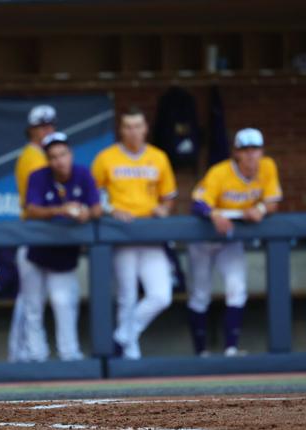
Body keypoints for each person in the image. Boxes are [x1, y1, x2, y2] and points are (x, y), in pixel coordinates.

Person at [92, 106, 177, 360]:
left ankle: (121, 337)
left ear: (145, 128)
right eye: (128, 126)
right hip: (122, 235)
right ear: (121, 129)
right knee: (126, 296)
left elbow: (169, 197)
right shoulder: (106, 158)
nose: (133, 131)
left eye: (138, 126)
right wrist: (111, 209)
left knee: (161, 296)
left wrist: (164, 208)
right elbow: (92, 196)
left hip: (151, 235)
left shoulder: (158, 157)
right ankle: (130, 353)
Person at [188, 128, 282, 357]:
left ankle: (231, 348)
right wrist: (214, 214)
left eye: (255, 149)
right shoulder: (220, 172)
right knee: (200, 294)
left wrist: (260, 208)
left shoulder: (268, 167)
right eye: (245, 150)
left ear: (262, 151)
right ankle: (201, 353)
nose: (251, 155)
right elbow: (197, 203)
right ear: (236, 153)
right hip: (205, 237)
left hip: (231, 239)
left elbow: (273, 201)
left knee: (237, 288)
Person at [23, 132, 102, 361]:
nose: (60, 160)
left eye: (63, 154)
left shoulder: (82, 174)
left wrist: (86, 213)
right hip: (36, 251)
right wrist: (62, 209)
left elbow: (97, 208)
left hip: (65, 253)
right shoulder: (39, 176)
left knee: (63, 303)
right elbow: (32, 210)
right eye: (54, 156)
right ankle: (36, 357)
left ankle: (70, 355)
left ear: (70, 154)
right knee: (32, 306)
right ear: (48, 160)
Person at [8, 104, 57, 362]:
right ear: (32, 130)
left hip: (45, 233)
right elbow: (36, 202)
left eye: (50, 126)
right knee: (30, 300)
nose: (47, 130)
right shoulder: (32, 155)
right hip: (32, 230)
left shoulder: (45, 154)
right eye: (41, 127)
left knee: (32, 299)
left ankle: (25, 353)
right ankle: (23, 355)